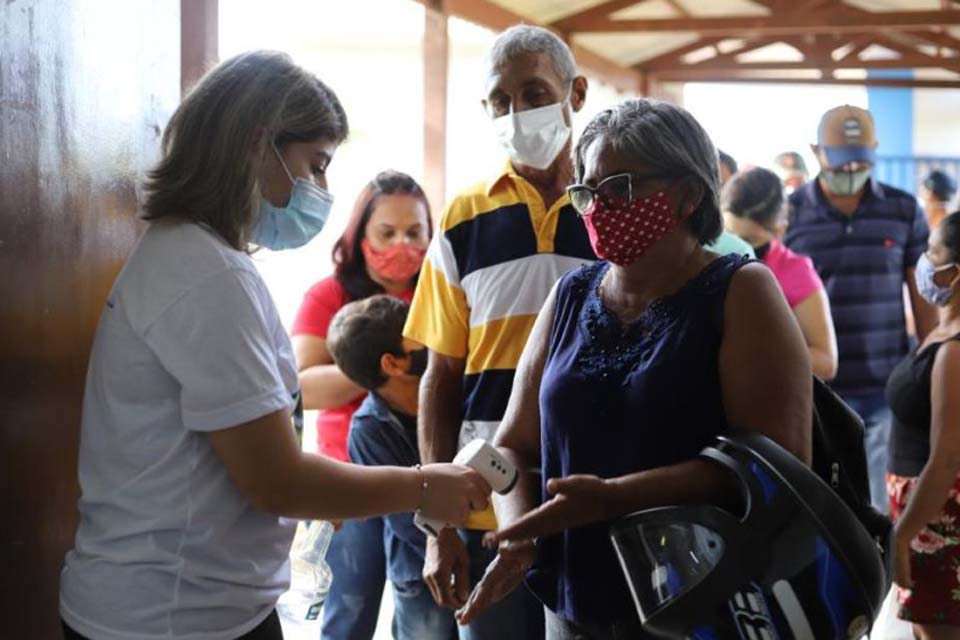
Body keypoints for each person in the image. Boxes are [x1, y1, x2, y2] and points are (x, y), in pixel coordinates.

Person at [58, 51, 489, 640]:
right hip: (173, 617)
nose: (321, 188)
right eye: (314, 165)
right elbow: (277, 481)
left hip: (187, 602)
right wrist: (424, 483)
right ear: (258, 145)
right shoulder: (206, 275)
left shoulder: (194, 257)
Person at [456, 98, 813, 639]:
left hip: (701, 603)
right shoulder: (571, 294)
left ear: (688, 193)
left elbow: (775, 464)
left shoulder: (740, 290)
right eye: (587, 191)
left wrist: (617, 497)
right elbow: (512, 449)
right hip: (575, 601)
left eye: (620, 188)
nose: (599, 206)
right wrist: (518, 536)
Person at [403, 24, 596, 640]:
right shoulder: (464, 217)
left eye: (535, 93)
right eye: (500, 101)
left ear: (578, 93)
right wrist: (439, 524)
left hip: (589, 499)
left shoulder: (611, 209)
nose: (517, 113)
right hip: (485, 505)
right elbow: (442, 375)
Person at [291, 170, 432, 640]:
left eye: (415, 232)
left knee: (419, 604)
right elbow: (302, 387)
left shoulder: (439, 294)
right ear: (360, 235)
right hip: (346, 478)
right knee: (349, 613)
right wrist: (376, 362)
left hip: (424, 475)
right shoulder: (328, 296)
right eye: (386, 233)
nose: (402, 245)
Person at [785, 104, 936, 515]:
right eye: (841, 158)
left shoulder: (903, 210)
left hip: (884, 384)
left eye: (861, 158)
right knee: (825, 506)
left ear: (875, 150)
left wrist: (929, 363)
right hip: (817, 389)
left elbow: (922, 295)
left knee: (879, 507)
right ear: (817, 152)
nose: (851, 167)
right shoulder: (791, 213)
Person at [326, 295, 457, 640]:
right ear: (393, 363)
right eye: (418, 334)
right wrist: (450, 541)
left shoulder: (453, 390)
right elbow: (405, 519)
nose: (432, 337)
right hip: (421, 576)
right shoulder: (369, 430)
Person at [888, 211, 960, 640]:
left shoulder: (954, 350)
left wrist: (903, 535)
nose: (924, 261)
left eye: (933, 252)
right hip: (923, 513)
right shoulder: (941, 330)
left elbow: (947, 456)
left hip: (937, 518)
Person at [723, 166, 838, 380]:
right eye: (730, 235)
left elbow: (826, 363)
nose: (738, 249)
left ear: (779, 229)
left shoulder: (795, 271)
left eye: (749, 240)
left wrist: (750, 354)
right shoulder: (708, 258)